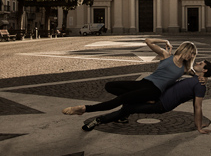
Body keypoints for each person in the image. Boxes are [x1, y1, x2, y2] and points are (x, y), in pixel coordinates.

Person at [62, 38, 197, 116]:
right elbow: (148, 41)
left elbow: (198, 75)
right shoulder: (166, 55)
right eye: (191, 53)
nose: (191, 56)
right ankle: (140, 100)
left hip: (154, 90)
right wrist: (165, 41)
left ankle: (85, 109)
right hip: (144, 82)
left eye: (193, 55)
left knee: (120, 99)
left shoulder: (185, 68)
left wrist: (202, 78)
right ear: (184, 49)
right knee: (109, 86)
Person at [82, 59, 211, 134]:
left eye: (200, 63)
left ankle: (98, 121)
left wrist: (198, 126)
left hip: (160, 104)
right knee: (128, 100)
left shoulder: (200, 85)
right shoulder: (197, 79)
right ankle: (121, 117)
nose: (197, 62)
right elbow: (190, 73)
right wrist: (205, 77)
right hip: (155, 96)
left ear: (205, 70)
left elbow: (197, 106)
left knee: (128, 108)